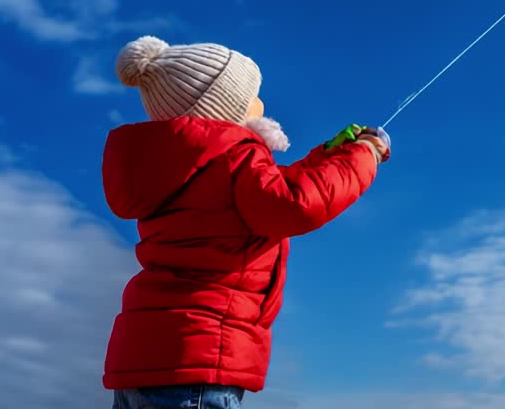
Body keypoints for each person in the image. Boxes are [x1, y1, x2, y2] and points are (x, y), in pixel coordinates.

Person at [101, 35, 389, 409]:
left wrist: (325, 156)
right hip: (197, 362)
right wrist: (361, 156)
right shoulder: (237, 159)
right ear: (224, 110)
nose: (261, 103)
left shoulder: (186, 169)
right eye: (252, 96)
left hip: (145, 361)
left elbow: (267, 190)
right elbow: (293, 204)